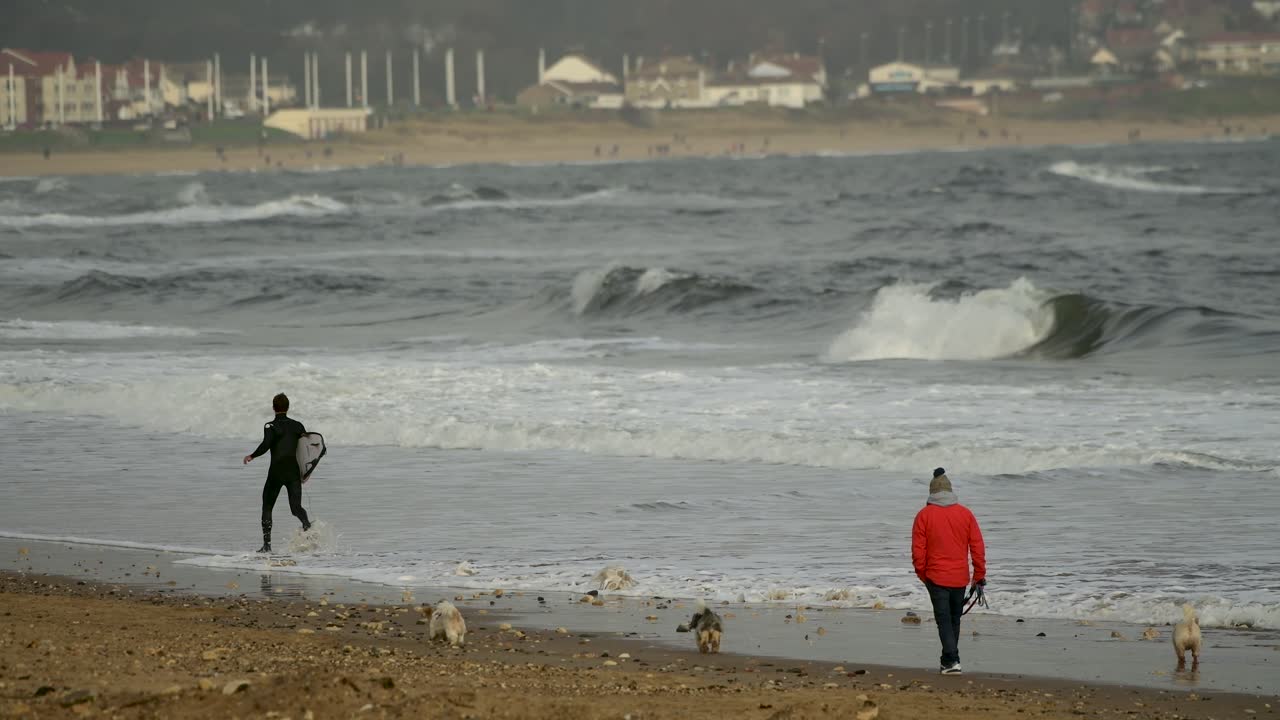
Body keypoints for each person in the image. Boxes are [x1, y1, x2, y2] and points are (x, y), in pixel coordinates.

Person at [911, 467, 985, 675]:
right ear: (950, 491)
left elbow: (918, 551)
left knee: (944, 619)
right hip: (960, 577)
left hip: (935, 576)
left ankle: (952, 660)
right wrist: (979, 575)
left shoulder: (924, 515)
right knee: (954, 618)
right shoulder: (966, 514)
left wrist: (922, 574)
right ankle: (948, 660)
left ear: (931, 493)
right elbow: (977, 546)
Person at [243, 393, 311, 553]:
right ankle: (307, 526)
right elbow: (307, 449)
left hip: (276, 472)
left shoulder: (270, 426)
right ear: (288, 407)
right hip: (293, 472)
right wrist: (307, 471)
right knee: (296, 508)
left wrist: (251, 455)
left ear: (273, 408)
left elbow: (266, 445)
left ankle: (267, 546)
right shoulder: (298, 426)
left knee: (267, 507)